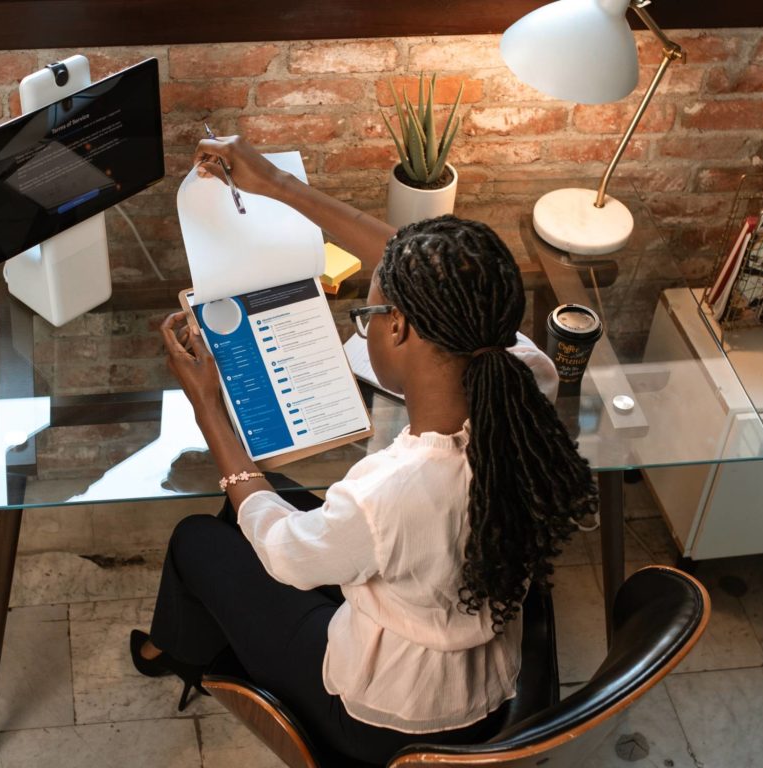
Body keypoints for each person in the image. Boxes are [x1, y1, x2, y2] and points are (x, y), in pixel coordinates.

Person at [130, 136, 598, 765]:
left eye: (370, 311)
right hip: (483, 662)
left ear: (399, 326)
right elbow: (418, 269)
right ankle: (182, 638)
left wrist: (209, 408)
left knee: (197, 539)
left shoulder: (392, 489)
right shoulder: (526, 374)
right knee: (272, 505)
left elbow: (285, 555)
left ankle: (175, 651)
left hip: (387, 714)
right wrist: (276, 183)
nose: (368, 318)